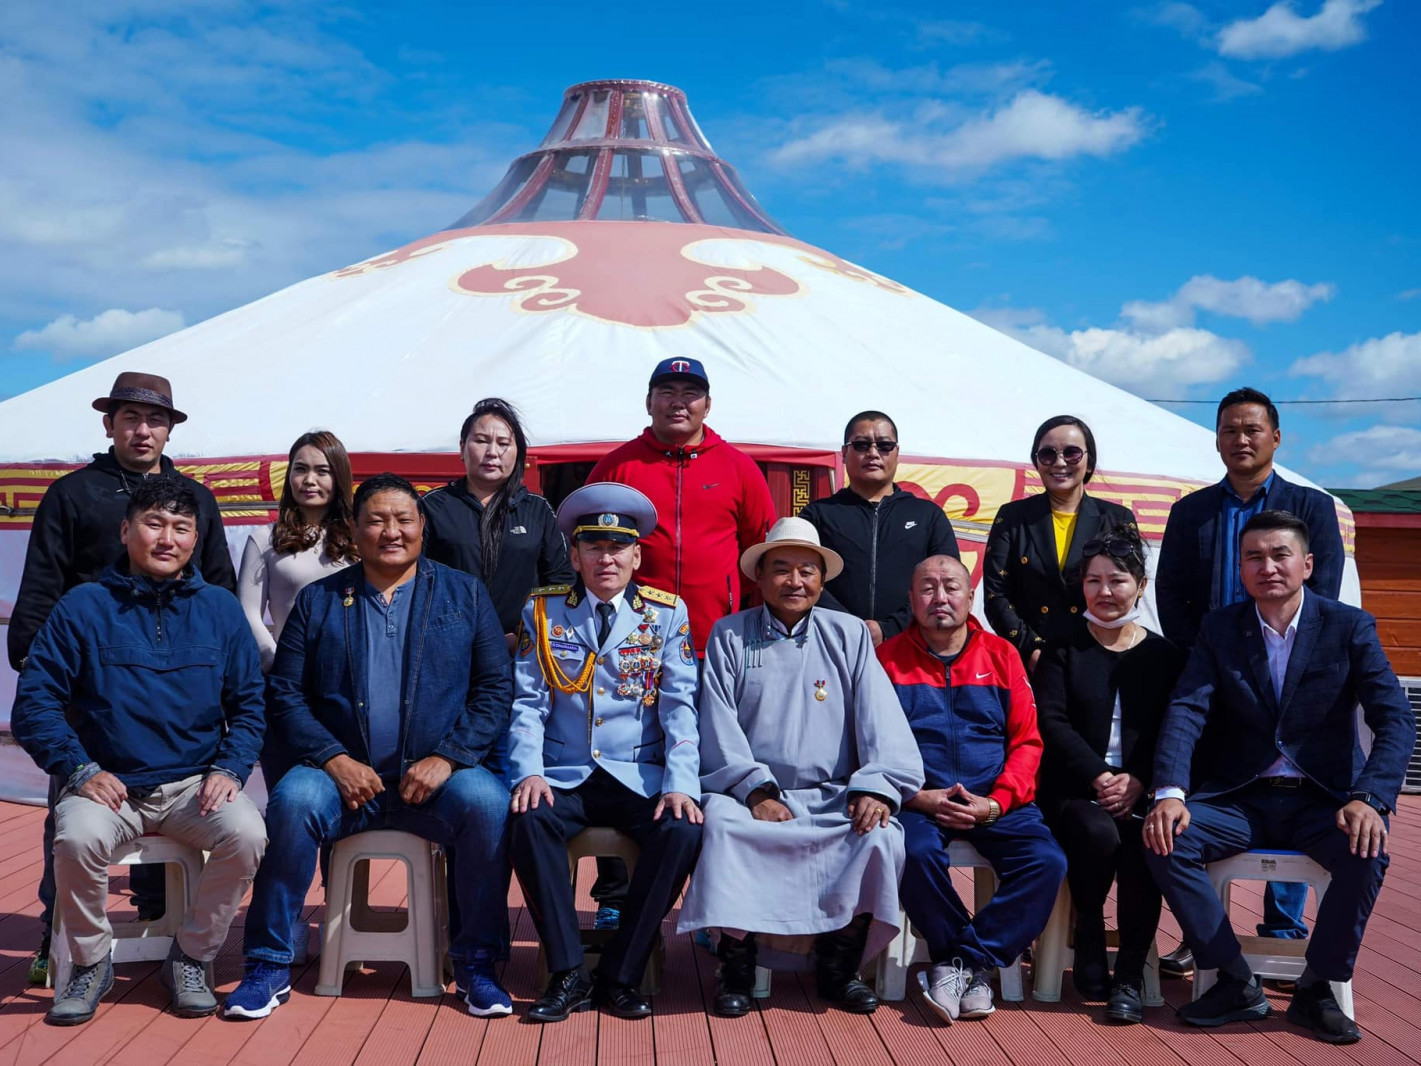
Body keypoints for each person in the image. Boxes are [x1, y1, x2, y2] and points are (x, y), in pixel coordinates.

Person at [224, 474, 514, 1020]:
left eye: (403, 519)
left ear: (422, 527)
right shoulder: (320, 600)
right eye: (376, 520)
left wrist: (447, 756)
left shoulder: (463, 594)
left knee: (488, 805)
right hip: (340, 775)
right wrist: (333, 759)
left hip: (436, 775)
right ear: (354, 530)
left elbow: (495, 689)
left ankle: (477, 963)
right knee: (292, 803)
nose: (391, 532)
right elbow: (284, 692)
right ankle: (267, 964)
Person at [1144, 510, 1415, 1045]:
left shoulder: (1348, 626)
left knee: (1368, 848)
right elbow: (1186, 710)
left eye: (1279, 555)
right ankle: (1234, 979)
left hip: (1323, 799)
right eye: (1254, 557)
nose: (1267, 566)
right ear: (1241, 570)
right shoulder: (1220, 629)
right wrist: (1170, 792)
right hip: (1241, 798)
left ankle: (1318, 986)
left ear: (1307, 564)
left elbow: (1394, 717)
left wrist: (1371, 797)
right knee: (1162, 839)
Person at [11, 475, 267, 1025]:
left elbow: (250, 703)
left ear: (195, 539)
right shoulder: (82, 606)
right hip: (110, 785)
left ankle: (193, 956)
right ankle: (91, 961)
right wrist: (79, 769)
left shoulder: (221, 610)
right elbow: (34, 705)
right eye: (153, 524)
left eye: (181, 528)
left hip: (192, 787)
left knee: (247, 835)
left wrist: (230, 765)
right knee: (76, 838)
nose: (166, 538)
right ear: (126, 530)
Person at [7, 372, 236, 984]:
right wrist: (36, 663)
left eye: (154, 419)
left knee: (174, 828)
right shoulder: (72, 494)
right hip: (87, 686)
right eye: (131, 417)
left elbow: (219, 587)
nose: (143, 429)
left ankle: (164, 930)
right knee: (75, 814)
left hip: (169, 681)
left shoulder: (195, 500)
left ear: (169, 429)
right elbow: (42, 583)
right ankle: (60, 939)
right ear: (109, 424)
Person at [678, 517, 925, 1018]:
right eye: (783, 569)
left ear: (822, 578)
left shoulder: (850, 634)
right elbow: (716, 724)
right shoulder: (730, 635)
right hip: (750, 794)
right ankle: (738, 966)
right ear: (761, 577)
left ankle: (840, 967)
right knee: (723, 830)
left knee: (879, 835)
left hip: (835, 794)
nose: (796, 581)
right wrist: (755, 792)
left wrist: (877, 786)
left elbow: (881, 719)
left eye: (807, 570)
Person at [1154, 387, 1345, 973]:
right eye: (1229, 430)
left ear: (1276, 437)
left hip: (1289, 678)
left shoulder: (1311, 507)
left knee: (1291, 787)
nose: (1240, 440)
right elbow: (1171, 593)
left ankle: (1283, 928)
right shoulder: (1192, 511)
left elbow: (1325, 590)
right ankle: (1202, 934)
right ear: (1216, 439)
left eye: (1252, 430)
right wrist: (1206, 659)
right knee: (1216, 796)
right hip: (1217, 680)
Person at [585, 357, 774, 925]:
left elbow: (758, 553)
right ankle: (616, 901)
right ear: (648, 402)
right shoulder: (618, 465)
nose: (678, 402)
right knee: (623, 762)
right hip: (628, 644)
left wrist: (745, 627)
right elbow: (596, 546)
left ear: (708, 405)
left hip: (713, 646)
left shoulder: (739, 468)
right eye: (666, 391)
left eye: (691, 393)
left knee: (710, 769)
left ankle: (716, 903)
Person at [506, 483, 702, 1023]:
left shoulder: (666, 614)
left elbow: (680, 706)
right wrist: (528, 772)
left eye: (618, 548)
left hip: (638, 773)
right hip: (565, 771)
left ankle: (622, 971)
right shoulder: (543, 611)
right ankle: (568, 971)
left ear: (637, 555)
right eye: (593, 547)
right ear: (574, 555)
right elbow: (527, 703)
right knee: (526, 818)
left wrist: (681, 782)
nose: (606, 558)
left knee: (683, 829)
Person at [876, 555, 1066, 1025]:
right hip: (918, 799)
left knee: (1047, 862)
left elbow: (1027, 740)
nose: (940, 598)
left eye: (951, 587)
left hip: (995, 798)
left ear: (969, 596)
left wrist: (997, 802)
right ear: (910, 600)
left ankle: (963, 961)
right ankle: (967, 962)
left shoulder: (1002, 655)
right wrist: (914, 795)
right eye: (927, 588)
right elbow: (869, 742)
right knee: (907, 851)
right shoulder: (885, 661)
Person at [1032, 528, 1183, 1023]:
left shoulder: (1165, 656)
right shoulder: (1062, 648)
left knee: (1148, 843)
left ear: (1140, 584)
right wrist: (1099, 776)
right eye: (1093, 580)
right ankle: (1090, 932)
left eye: (1117, 580)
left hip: (1142, 789)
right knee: (1096, 833)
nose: (1104, 591)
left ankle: (1130, 975)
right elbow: (1051, 722)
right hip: (1074, 789)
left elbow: (1171, 729)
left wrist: (1139, 778)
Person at [983, 415, 1137, 673]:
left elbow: (1129, 589)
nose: (1060, 462)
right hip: (1029, 663)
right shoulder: (1012, 517)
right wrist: (1032, 650)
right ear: (1037, 462)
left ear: (1089, 463)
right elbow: (996, 594)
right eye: (1048, 454)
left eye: (1072, 453)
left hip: (1098, 655)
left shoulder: (1117, 519)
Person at [799, 410, 959, 646]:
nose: (873, 453)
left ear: (897, 452)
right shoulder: (818, 515)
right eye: (861, 445)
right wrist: (848, 626)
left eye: (884, 445)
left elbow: (946, 583)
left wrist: (890, 628)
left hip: (911, 649)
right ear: (844, 453)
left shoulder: (927, 516)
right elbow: (802, 576)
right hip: (832, 642)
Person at [423, 398, 574, 648]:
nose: (492, 452)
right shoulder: (434, 506)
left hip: (522, 650)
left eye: (503, 443)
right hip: (449, 646)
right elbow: (415, 580)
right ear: (462, 448)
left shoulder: (537, 510)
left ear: (518, 453)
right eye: (481, 441)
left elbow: (561, 581)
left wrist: (527, 633)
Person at [237, 431, 359, 671]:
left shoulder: (359, 537)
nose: (309, 480)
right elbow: (248, 613)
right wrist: (275, 660)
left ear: (339, 476)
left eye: (322, 471)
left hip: (355, 673)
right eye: (300, 469)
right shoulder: (264, 539)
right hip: (291, 674)